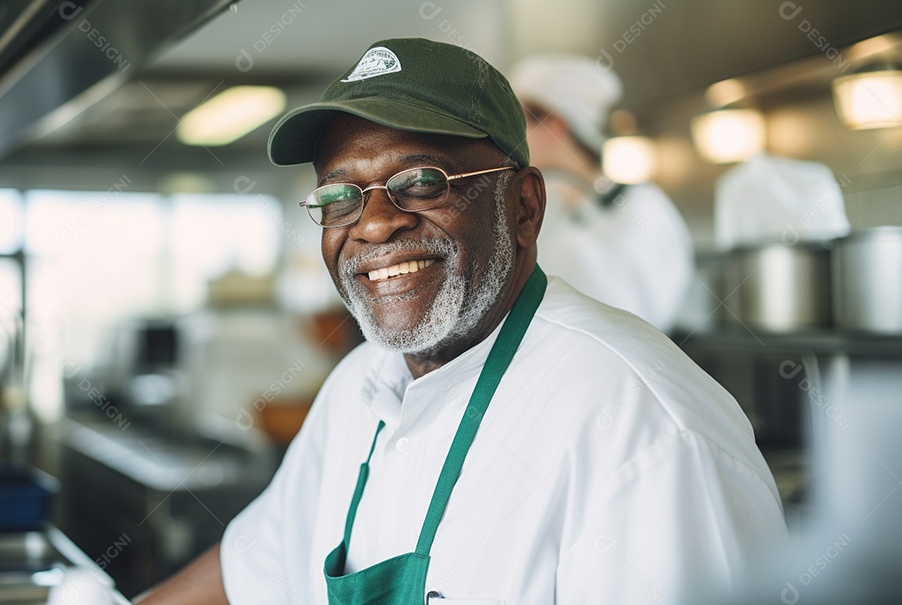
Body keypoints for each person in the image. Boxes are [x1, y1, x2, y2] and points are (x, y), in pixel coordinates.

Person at [137, 38, 786, 605]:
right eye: (339, 194)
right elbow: (253, 568)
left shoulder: (645, 430)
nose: (373, 222)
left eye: (421, 180)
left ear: (525, 206)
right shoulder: (359, 390)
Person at [509, 54, 694, 333]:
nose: (509, 138)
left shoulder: (641, 208)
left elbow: (640, 322)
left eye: (517, 122)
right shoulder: (545, 208)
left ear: (554, 126)